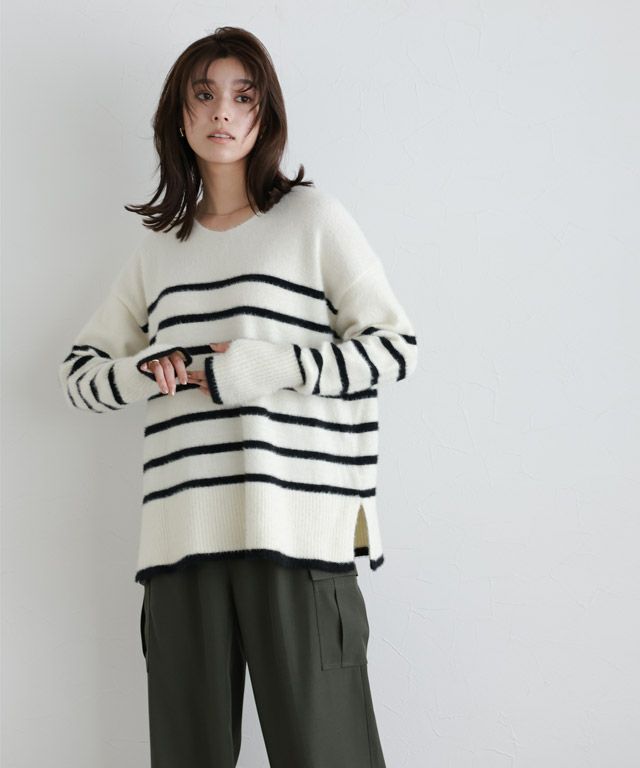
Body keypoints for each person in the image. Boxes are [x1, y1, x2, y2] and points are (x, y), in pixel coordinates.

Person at [59, 26, 418, 768]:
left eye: (242, 96)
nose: (222, 111)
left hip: (296, 533)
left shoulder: (312, 220)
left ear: (266, 114)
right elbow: (81, 374)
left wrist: (264, 367)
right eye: (204, 94)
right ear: (180, 115)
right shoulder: (159, 252)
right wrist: (147, 370)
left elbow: (393, 347)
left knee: (328, 755)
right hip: (181, 544)